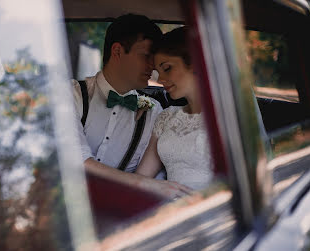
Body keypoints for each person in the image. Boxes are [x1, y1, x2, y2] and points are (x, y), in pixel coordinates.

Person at [72, 14, 191, 197]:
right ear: (118, 51)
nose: (153, 67)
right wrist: (143, 183)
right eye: (146, 56)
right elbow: (74, 159)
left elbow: (157, 181)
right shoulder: (71, 95)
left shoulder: (154, 113)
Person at [136, 27, 213, 190]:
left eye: (167, 68)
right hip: (169, 210)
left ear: (194, 63)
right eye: (158, 72)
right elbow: (141, 178)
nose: (161, 79)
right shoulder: (166, 117)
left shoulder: (229, 118)